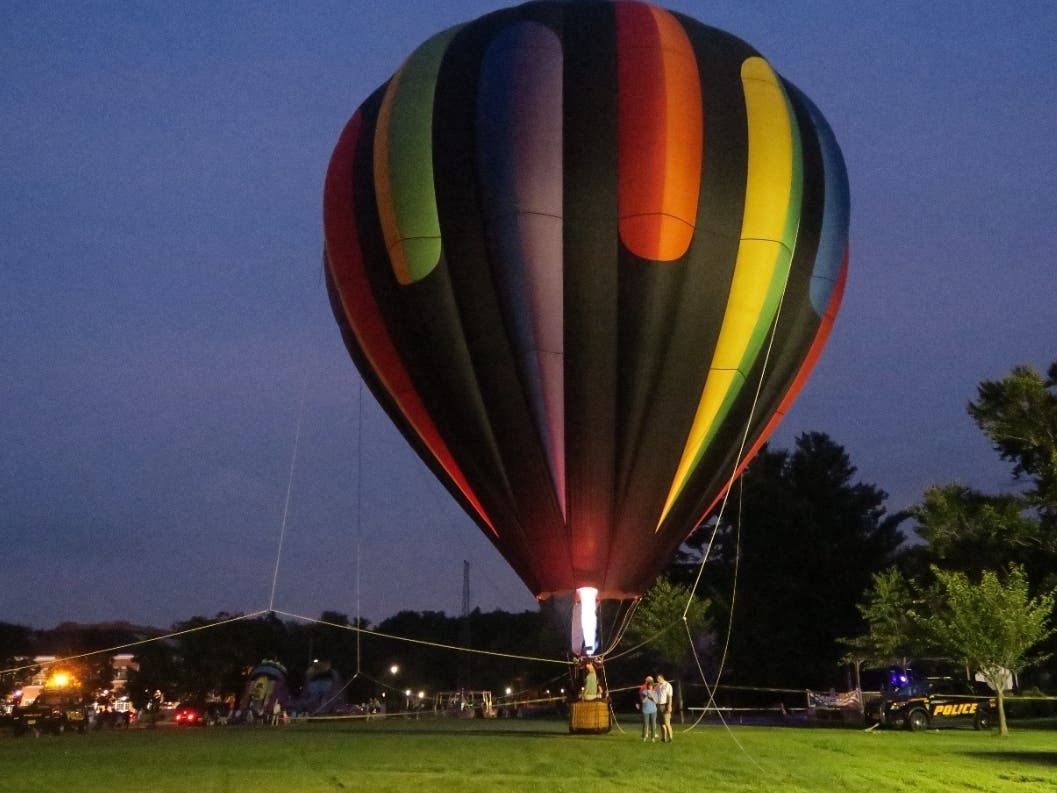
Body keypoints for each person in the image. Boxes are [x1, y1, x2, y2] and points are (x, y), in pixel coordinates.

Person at [655, 673, 674, 742]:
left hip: (665, 705)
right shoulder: (657, 686)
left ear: (662, 678)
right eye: (657, 679)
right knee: (661, 723)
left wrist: (669, 706)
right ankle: (663, 738)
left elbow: (670, 697)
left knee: (667, 722)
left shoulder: (667, 685)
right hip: (659, 705)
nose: (657, 680)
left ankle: (670, 738)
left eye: (659, 679)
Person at [639, 675, 657, 742]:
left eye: (651, 686)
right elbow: (643, 701)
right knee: (645, 724)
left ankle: (653, 737)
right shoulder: (644, 692)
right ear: (647, 686)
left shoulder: (655, 692)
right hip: (645, 710)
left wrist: (652, 696)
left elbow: (656, 702)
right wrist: (647, 695)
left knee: (653, 724)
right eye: (649, 686)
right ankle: (644, 737)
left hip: (653, 710)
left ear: (653, 686)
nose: (650, 687)